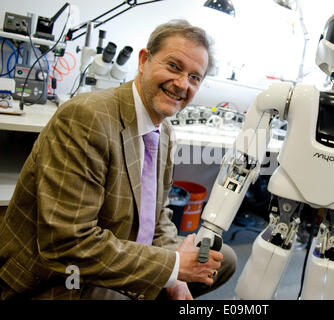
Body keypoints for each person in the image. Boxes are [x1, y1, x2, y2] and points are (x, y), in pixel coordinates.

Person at [0, 19, 237, 300]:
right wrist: (172, 267)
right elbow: (67, 244)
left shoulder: (165, 132)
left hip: (119, 250)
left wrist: (175, 277)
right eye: (173, 66)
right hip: (61, 274)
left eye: (194, 77)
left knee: (222, 259)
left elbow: (158, 216)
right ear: (144, 60)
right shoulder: (86, 118)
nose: (182, 83)